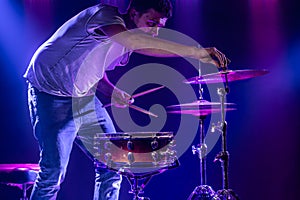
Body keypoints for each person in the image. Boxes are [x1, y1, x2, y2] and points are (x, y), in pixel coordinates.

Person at [24, 0, 230, 199]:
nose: (154, 32)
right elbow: (133, 41)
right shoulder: (105, 15)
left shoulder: (124, 47)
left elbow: (92, 70)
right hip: (51, 93)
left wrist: (112, 91)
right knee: (53, 173)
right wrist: (195, 52)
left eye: (160, 26)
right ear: (133, 14)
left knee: (114, 163)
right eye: (150, 23)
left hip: (83, 97)